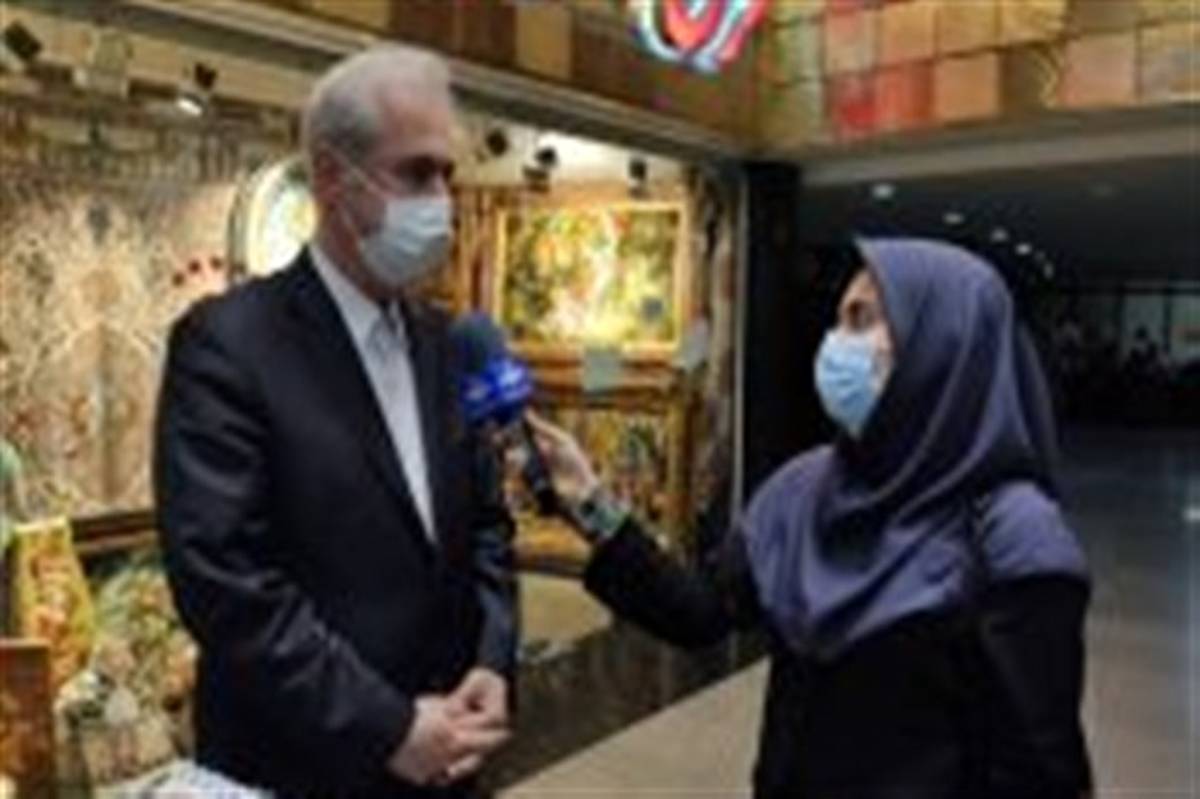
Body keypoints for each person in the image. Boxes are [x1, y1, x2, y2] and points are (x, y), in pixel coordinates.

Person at [526, 238, 1093, 798]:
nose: (836, 344)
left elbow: (1039, 772)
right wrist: (589, 500)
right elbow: (701, 611)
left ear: (941, 344)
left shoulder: (1014, 536)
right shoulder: (803, 488)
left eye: (860, 320)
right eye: (838, 320)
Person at [154, 46, 516, 798]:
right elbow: (227, 584)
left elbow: (487, 528)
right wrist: (387, 726)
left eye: (448, 175)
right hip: (298, 766)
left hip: (451, 760)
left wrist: (492, 659)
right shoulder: (226, 345)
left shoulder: (446, 344)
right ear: (329, 178)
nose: (441, 202)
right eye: (416, 173)